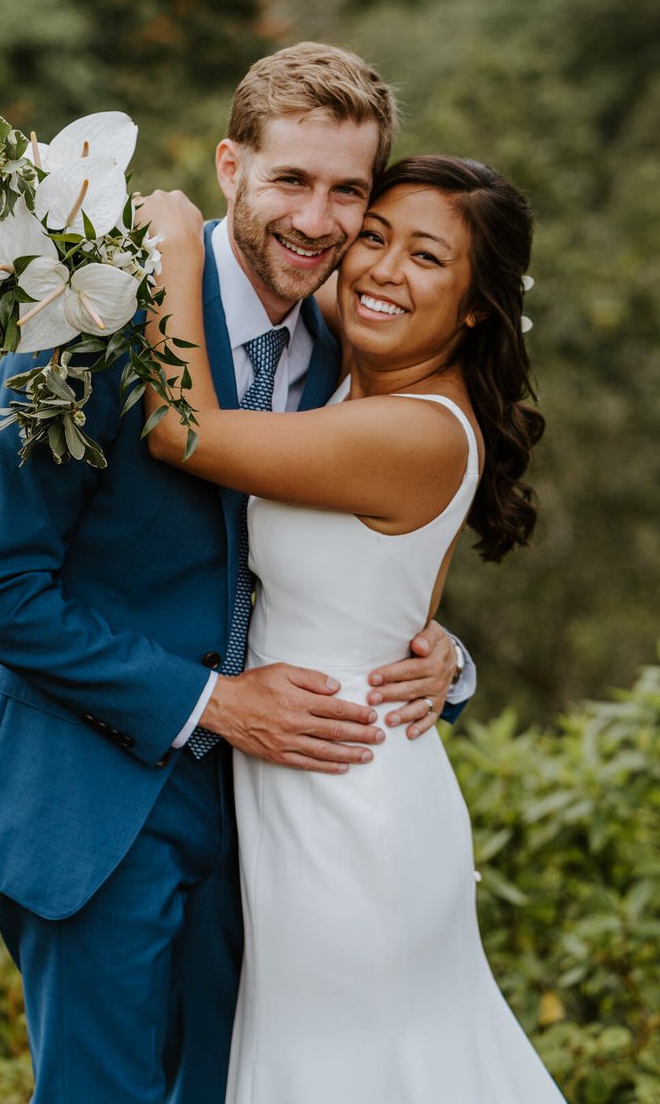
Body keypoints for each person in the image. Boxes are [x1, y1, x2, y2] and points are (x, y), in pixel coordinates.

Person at [0, 43, 477, 1104]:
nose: (317, 221)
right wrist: (213, 702)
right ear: (230, 167)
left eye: (346, 191)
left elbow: (354, 552)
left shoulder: (343, 349)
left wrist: (439, 659)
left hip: (264, 821)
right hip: (88, 792)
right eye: (291, 181)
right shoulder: (85, 317)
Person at [138, 154, 563, 1102]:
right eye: (374, 236)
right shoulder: (372, 355)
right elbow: (293, 273)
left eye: (426, 258)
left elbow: (182, 434)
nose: (380, 270)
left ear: (477, 306)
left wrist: (172, 249)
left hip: (349, 809)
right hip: (310, 782)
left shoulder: (415, 429)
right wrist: (445, 655)